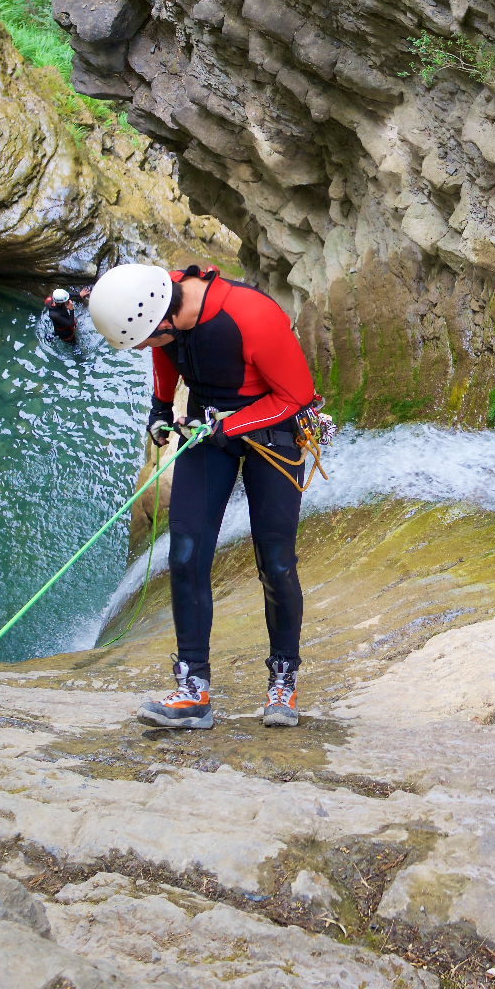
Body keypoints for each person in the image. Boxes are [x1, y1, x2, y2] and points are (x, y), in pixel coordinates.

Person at [89, 262, 316, 729]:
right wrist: (158, 408)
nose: (149, 347)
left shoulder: (251, 315)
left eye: (150, 337)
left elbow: (297, 394)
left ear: (164, 320)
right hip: (206, 426)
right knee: (186, 555)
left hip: (270, 430)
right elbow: (163, 353)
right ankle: (193, 690)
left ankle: (283, 680)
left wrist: (226, 427)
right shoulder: (161, 309)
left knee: (275, 561)